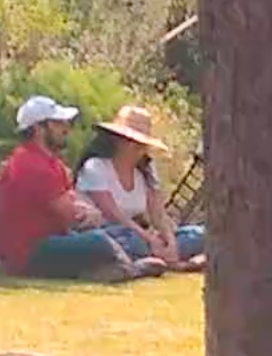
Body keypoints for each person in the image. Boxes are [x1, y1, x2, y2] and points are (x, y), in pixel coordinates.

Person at [0, 96, 158, 280]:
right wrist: (88, 214)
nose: (66, 128)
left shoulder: (50, 163)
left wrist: (86, 212)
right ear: (39, 129)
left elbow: (71, 201)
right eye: (58, 123)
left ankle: (108, 267)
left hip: (55, 240)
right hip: (31, 252)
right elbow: (71, 214)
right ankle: (129, 268)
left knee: (122, 235)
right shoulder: (30, 164)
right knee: (99, 241)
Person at [73, 106, 206, 273]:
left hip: (140, 234)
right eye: (132, 142)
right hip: (110, 234)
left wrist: (169, 242)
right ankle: (167, 260)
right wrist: (149, 239)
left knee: (200, 234)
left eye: (140, 144)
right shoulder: (96, 167)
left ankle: (165, 258)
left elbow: (158, 215)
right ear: (118, 140)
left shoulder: (146, 171)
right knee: (131, 241)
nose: (137, 149)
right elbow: (114, 214)